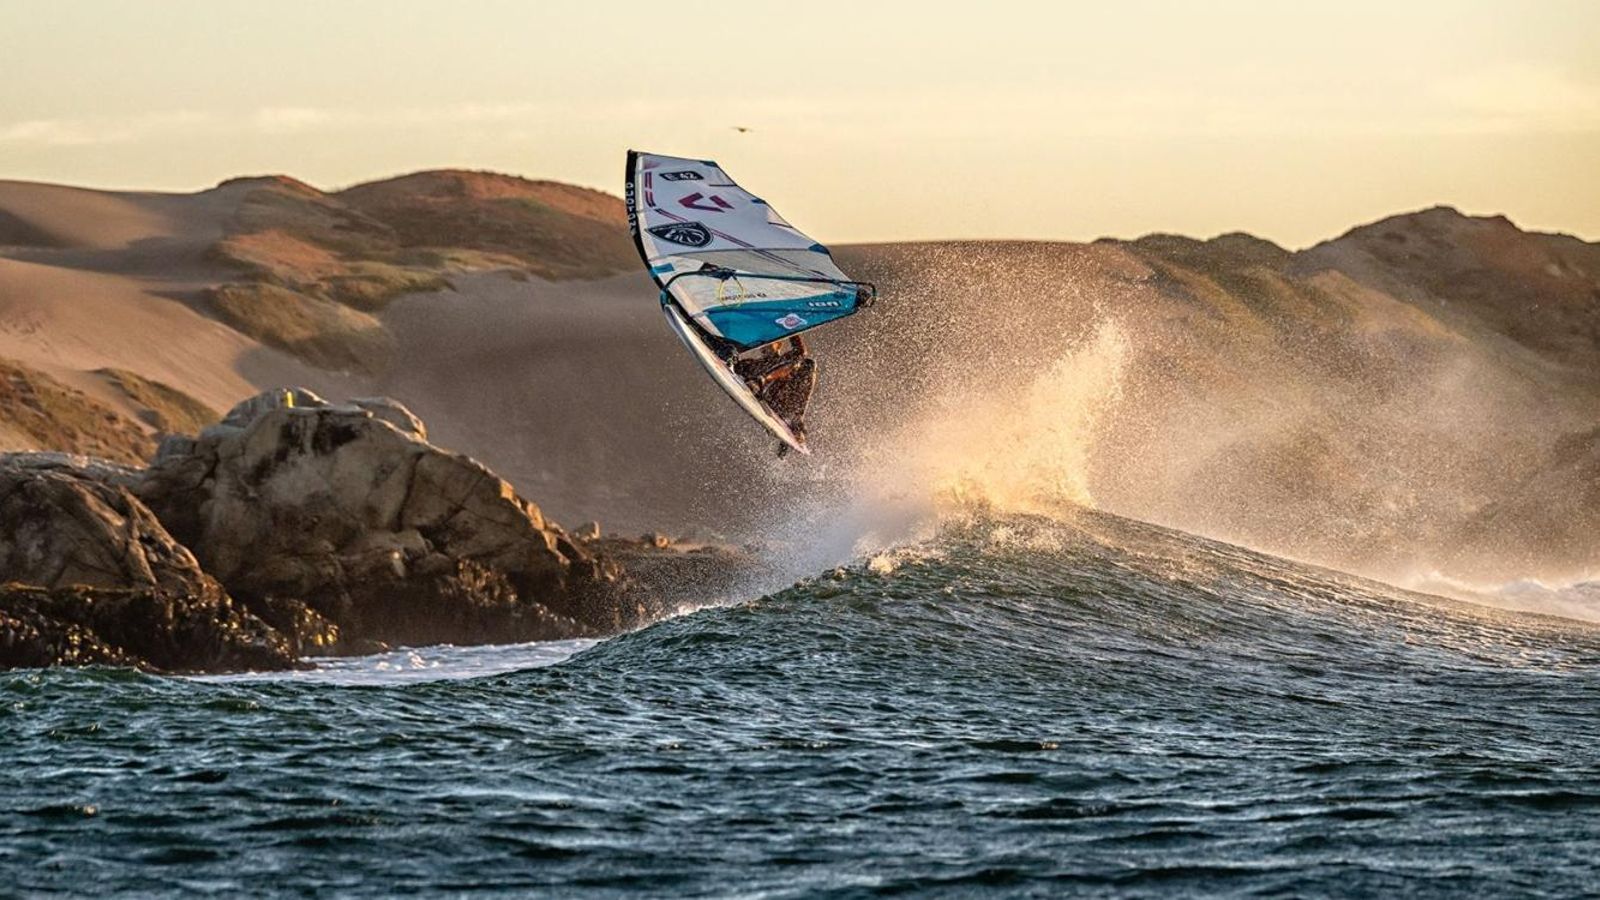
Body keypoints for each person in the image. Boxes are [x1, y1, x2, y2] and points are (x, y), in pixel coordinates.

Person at [734, 335, 815, 447]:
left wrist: (792, 330)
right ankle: (759, 383)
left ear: (779, 345)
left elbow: (800, 352)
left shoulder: (786, 360)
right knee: (747, 368)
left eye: (769, 343)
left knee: (808, 364)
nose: (763, 346)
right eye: (761, 343)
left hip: (782, 402)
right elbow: (734, 365)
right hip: (764, 395)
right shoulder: (753, 364)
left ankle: (797, 419)